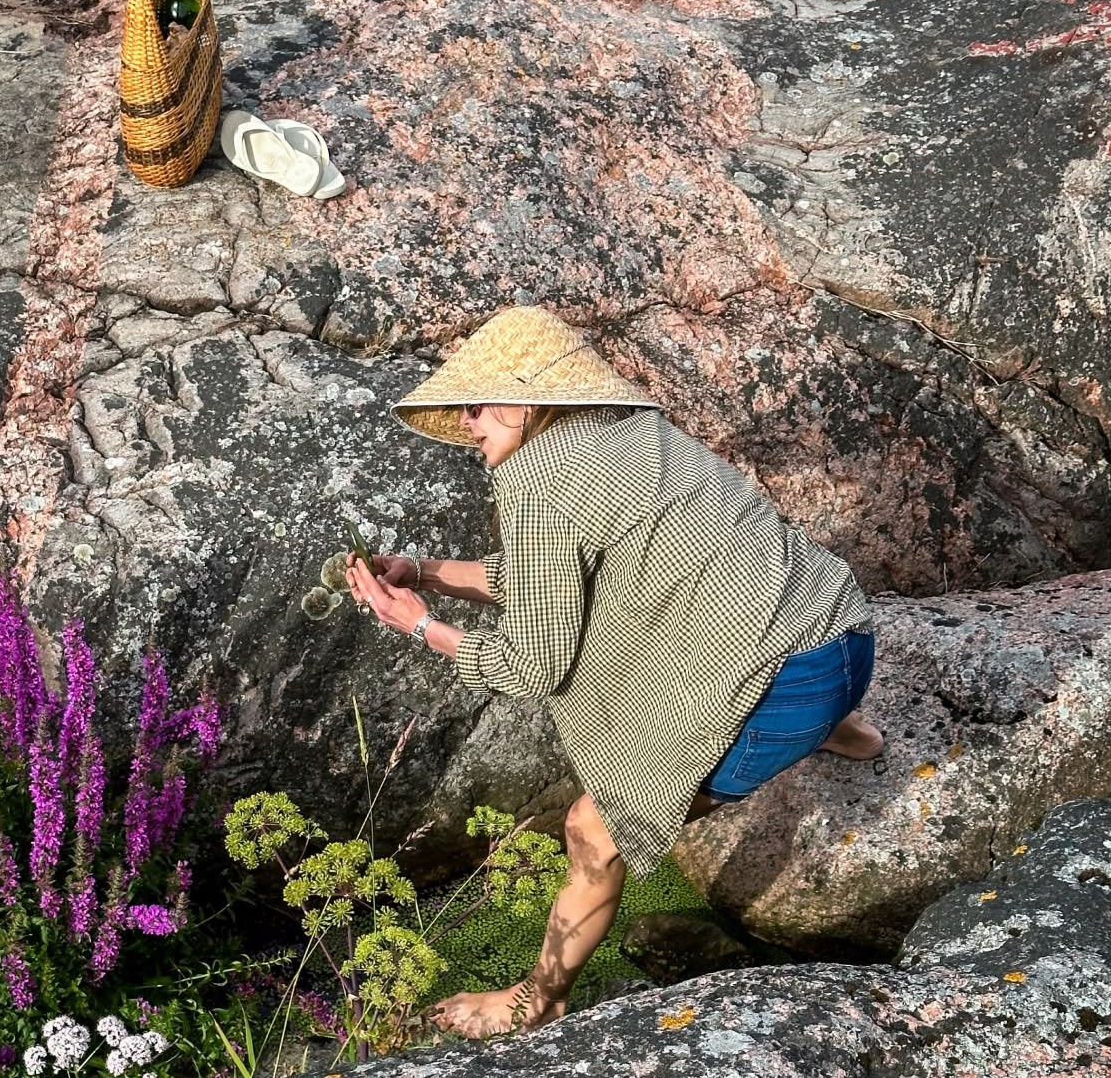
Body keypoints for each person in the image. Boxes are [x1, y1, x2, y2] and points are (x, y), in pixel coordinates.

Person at [344, 305, 883, 1039]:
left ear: (521, 401)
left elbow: (528, 667)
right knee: (752, 622)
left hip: (789, 689)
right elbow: (550, 577)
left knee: (592, 831)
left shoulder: (536, 482)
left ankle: (537, 999)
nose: (468, 423)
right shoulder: (632, 435)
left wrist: (419, 625)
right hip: (847, 637)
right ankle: (842, 730)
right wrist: (428, 571)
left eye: (475, 404)